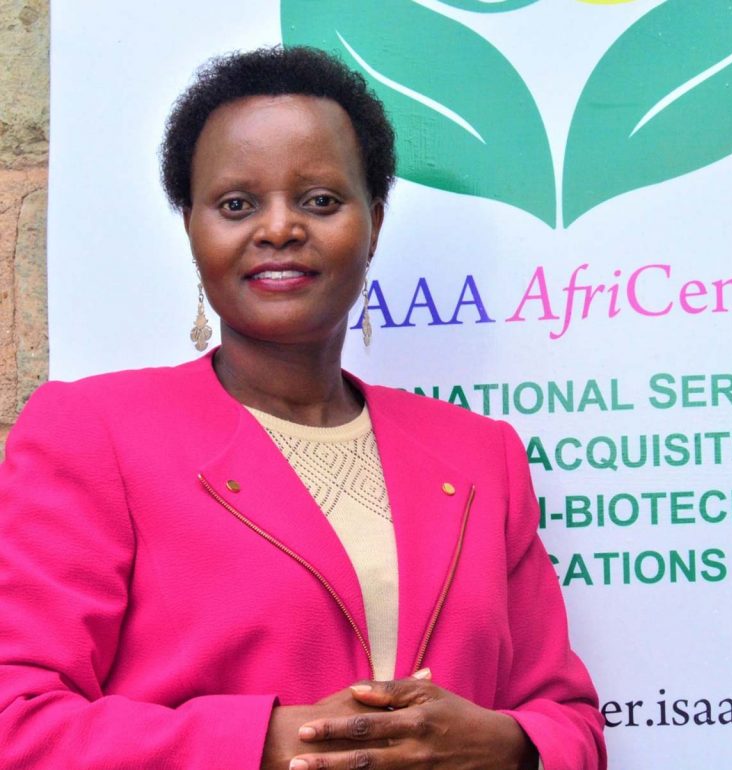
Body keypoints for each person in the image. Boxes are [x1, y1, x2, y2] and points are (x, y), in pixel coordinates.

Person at [0, 47, 606, 769]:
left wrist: (505, 745)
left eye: (320, 200)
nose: (280, 228)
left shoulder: (481, 455)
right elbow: (18, 722)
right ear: (191, 228)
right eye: (237, 204)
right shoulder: (94, 433)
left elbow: (568, 722)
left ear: (373, 222)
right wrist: (261, 744)